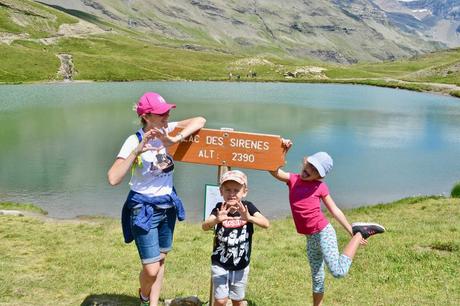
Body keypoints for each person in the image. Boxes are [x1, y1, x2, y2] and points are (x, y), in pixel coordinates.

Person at [107, 92, 206, 306]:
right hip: (143, 209)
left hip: (167, 206)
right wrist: (137, 151)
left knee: (161, 260)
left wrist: (173, 139)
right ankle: (143, 296)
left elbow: (200, 120)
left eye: (167, 112)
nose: (167, 116)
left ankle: (152, 304)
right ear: (146, 116)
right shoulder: (134, 140)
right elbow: (113, 178)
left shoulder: (167, 130)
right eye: (161, 113)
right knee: (151, 269)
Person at [269, 141, 385, 306]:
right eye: (310, 166)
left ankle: (359, 233)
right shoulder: (292, 179)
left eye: (316, 170)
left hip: (323, 232)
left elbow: (334, 210)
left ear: (320, 176)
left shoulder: (320, 187)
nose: (310, 171)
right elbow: (273, 170)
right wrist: (283, 151)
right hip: (310, 238)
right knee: (317, 276)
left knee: (338, 272)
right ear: (305, 163)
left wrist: (350, 230)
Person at [202, 170, 269, 306]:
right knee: (220, 300)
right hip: (220, 263)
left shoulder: (248, 207)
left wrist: (249, 218)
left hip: (241, 264)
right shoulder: (219, 208)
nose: (232, 194)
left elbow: (266, 224)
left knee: (237, 300)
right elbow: (205, 226)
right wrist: (216, 220)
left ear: (244, 192)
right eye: (227, 190)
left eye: (236, 190)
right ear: (221, 191)